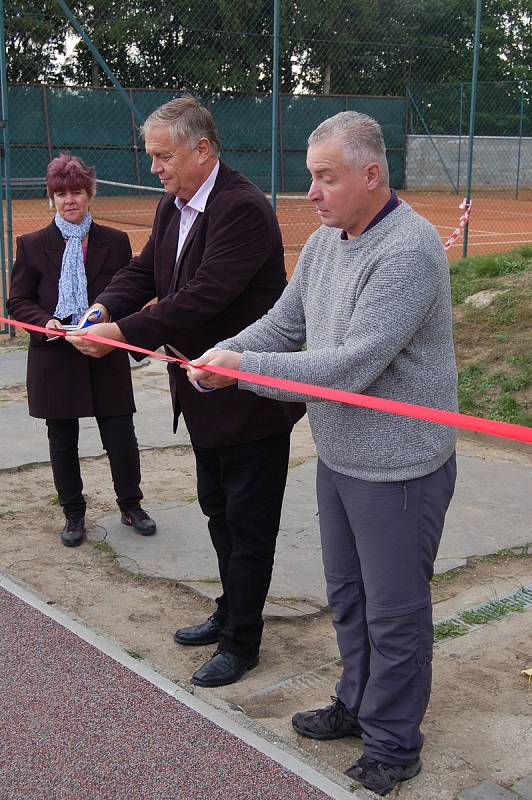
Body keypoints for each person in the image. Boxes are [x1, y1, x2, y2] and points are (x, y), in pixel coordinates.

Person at [185, 111, 458, 796]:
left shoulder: (410, 250)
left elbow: (353, 364)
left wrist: (242, 367)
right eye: (312, 176)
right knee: (348, 599)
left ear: (371, 175)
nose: (311, 192)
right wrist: (229, 352)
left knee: (394, 615)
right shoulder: (326, 242)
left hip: (400, 469)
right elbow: (285, 322)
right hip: (340, 456)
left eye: (325, 177)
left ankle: (394, 746)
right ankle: (357, 704)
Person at [66, 96, 305, 687]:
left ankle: (242, 641)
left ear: (202, 149)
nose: (154, 168)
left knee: (248, 526)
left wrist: (121, 332)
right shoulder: (174, 206)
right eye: (151, 157)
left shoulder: (243, 209)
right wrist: (103, 307)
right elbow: (147, 273)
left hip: (249, 401)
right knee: (218, 512)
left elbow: (203, 295)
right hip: (200, 393)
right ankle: (231, 609)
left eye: (162, 156)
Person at [7, 153, 156, 547]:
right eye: (61, 194)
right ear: (51, 198)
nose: (69, 200)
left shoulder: (115, 241)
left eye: (76, 192)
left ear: (90, 193)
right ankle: (73, 514)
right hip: (55, 355)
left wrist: (108, 326)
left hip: (103, 352)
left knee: (121, 435)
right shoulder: (33, 244)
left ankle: (131, 504)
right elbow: (18, 301)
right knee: (62, 440)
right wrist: (45, 323)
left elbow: (127, 293)